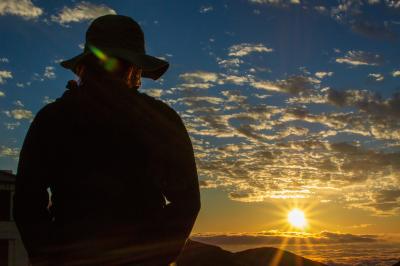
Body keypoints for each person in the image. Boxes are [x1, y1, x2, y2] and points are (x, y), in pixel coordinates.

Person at [13, 14, 200, 266]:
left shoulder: (54, 118)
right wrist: (152, 257)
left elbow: (27, 202)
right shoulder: (159, 120)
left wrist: (51, 256)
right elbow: (187, 202)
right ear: (135, 67)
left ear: (85, 65)